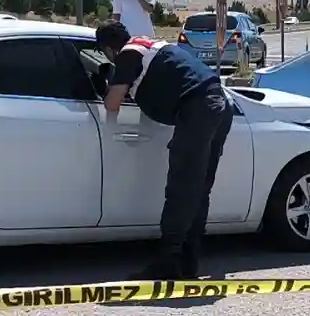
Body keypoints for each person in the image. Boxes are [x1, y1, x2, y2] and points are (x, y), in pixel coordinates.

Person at [96, 21, 235, 279]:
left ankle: (169, 261)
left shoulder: (128, 54)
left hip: (197, 109)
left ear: (108, 49)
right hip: (219, 104)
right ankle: (189, 260)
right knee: (198, 188)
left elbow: (112, 104)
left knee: (182, 186)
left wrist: (111, 83)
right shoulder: (151, 45)